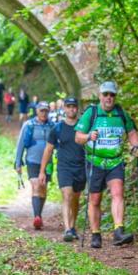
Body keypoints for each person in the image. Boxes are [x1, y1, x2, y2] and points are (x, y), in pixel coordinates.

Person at [75, 81, 138, 248]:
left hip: (115, 161)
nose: (109, 98)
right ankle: (96, 234)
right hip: (95, 161)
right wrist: (89, 136)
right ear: (100, 96)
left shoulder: (121, 113)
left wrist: (136, 146)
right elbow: (78, 137)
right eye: (106, 94)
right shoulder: (92, 112)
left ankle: (118, 231)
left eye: (112, 95)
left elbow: (132, 131)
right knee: (95, 199)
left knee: (118, 192)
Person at [39, 97, 85, 242]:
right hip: (64, 166)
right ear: (64, 109)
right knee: (67, 195)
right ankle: (67, 229)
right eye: (69, 106)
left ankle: (72, 226)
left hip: (81, 166)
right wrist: (42, 171)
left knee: (76, 199)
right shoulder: (57, 128)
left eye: (74, 106)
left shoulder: (83, 127)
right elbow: (48, 150)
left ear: (77, 109)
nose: (71, 109)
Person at [15, 101, 55, 229]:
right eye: (41, 110)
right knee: (36, 185)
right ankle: (37, 217)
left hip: (48, 163)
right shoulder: (29, 125)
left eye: (46, 111)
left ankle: (39, 215)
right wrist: (18, 162)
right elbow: (20, 144)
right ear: (37, 111)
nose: (44, 113)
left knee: (43, 187)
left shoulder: (53, 126)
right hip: (32, 161)